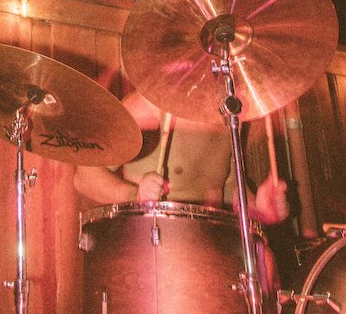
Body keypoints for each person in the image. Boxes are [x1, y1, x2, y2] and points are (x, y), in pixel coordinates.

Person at [74, 89, 290, 226]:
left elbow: (228, 191)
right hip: (150, 239)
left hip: (210, 245)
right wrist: (134, 195)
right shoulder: (152, 104)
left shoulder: (234, 112)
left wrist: (259, 211)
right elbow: (84, 177)